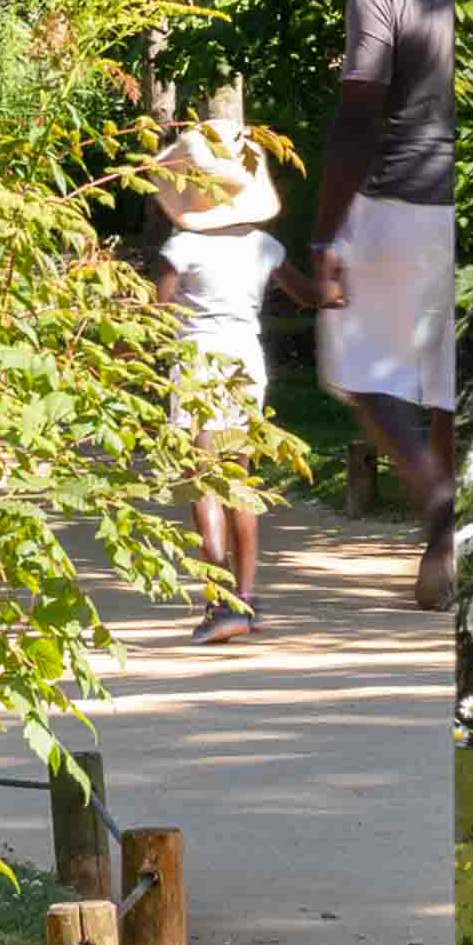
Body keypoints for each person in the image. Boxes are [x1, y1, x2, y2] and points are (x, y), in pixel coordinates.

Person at [312, 0, 458, 608]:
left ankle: (441, 505)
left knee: (358, 367)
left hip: (400, 202)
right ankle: (446, 551)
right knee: (452, 380)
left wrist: (323, 236)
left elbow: (359, 112)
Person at [152, 87, 316, 645]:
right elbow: (308, 295)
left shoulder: (183, 249)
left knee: (205, 484)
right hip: (248, 363)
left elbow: (155, 315)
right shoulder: (264, 247)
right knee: (240, 480)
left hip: (198, 364)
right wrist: (339, 288)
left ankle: (221, 603)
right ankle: (246, 596)